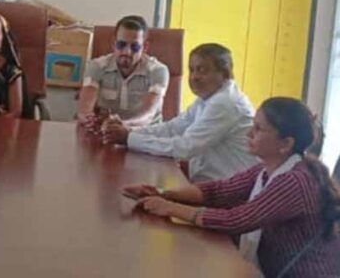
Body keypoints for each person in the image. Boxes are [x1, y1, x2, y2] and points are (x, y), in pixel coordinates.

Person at [126, 97, 340, 277]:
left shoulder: (295, 181)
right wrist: (164, 194)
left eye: (258, 129)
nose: (249, 134)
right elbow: (219, 191)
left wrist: (170, 208)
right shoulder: (267, 169)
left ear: (285, 144)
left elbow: (237, 220)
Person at [103, 43, 257, 182]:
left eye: (202, 70)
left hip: (228, 195)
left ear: (225, 74)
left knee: (134, 187)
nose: (194, 77)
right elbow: (172, 128)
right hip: (206, 184)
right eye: (191, 70)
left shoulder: (225, 103)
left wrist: (129, 138)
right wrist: (129, 131)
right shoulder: (209, 98)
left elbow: (185, 148)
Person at [76, 15, 169, 129]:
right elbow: (85, 109)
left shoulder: (158, 71)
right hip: (107, 131)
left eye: (135, 47)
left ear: (145, 47)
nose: (127, 52)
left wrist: (123, 125)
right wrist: (89, 121)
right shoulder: (97, 66)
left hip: (145, 133)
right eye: (121, 45)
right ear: (113, 43)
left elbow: (149, 115)